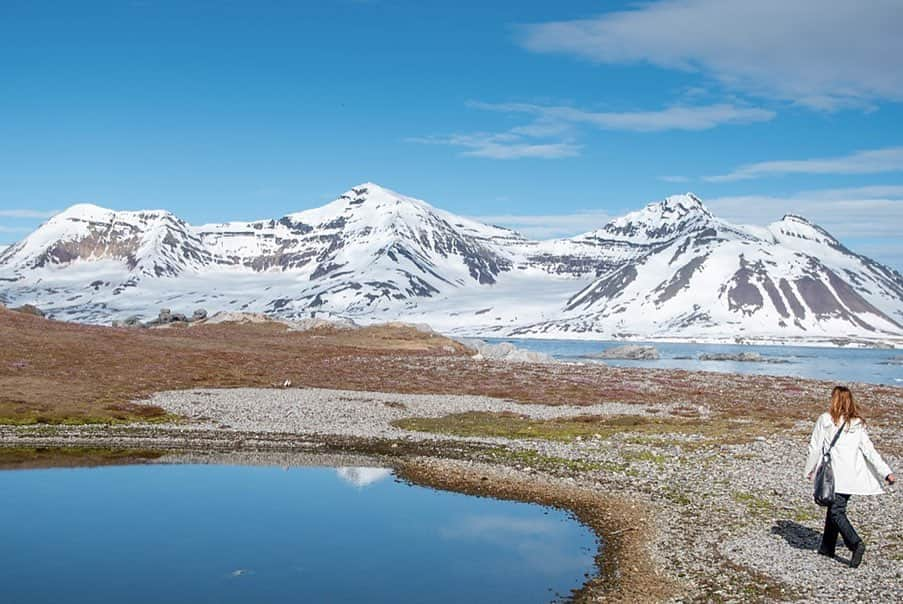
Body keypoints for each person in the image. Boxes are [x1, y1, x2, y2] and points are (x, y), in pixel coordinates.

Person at [804, 386, 895, 568]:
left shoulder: (826, 420)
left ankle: (855, 543)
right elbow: (870, 451)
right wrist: (886, 472)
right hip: (852, 476)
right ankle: (827, 547)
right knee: (834, 507)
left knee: (837, 511)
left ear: (834, 400)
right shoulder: (857, 423)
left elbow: (815, 447)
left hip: (834, 475)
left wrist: (809, 469)